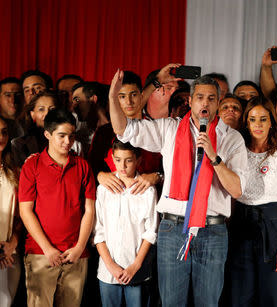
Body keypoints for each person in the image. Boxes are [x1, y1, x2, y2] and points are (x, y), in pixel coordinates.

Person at [109, 66, 247, 306]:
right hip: (174, 228)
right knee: (171, 301)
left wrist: (214, 158)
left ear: (218, 102)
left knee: (208, 302)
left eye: (211, 98)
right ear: (191, 101)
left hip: (212, 230)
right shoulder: (169, 128)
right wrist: (113, 98)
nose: (205, 103)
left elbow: (236, 190)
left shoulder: (232, 138)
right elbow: (124, 130)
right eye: (200, 97)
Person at [19, 108, 96, 307]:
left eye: (71, 136)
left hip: (75, 254)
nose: (67, 142)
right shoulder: (32, 165)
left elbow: (90, 210)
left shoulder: (82, 166)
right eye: (61, 136)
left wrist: (79, 247)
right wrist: (48, 249)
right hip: (40, 253)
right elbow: (25, 210)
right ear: (47, 134)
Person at [229, 97, 277, 306]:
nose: (257, 125)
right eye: (252, 120)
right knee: (240, 295)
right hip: (241, 227)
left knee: (274, 295)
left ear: (271, 122)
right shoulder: (236, 154)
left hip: (273, 229)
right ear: (246, 123)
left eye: (262, 119)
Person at [94, 140, 158, 307]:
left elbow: (151, 232)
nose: (122, 166)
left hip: (137, 270)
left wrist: (135, 265)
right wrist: (110, 265)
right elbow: (98, 231)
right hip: (108, 272)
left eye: (128, 160)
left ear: (138, 161)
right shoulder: (103, 189)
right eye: (117, 160)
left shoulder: (148, 191)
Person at [12, 91, 82, 167]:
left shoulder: (75, 145)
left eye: (52, 109)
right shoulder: (19, 144)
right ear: (33, 114)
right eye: (41, 109)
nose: (47, 114)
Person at [0, 116, 21, 307]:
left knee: (6, 300)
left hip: (7, 252)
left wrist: (11, 244)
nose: (1, 137)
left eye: (4, 132)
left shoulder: (14, 171)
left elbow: (20, 217)